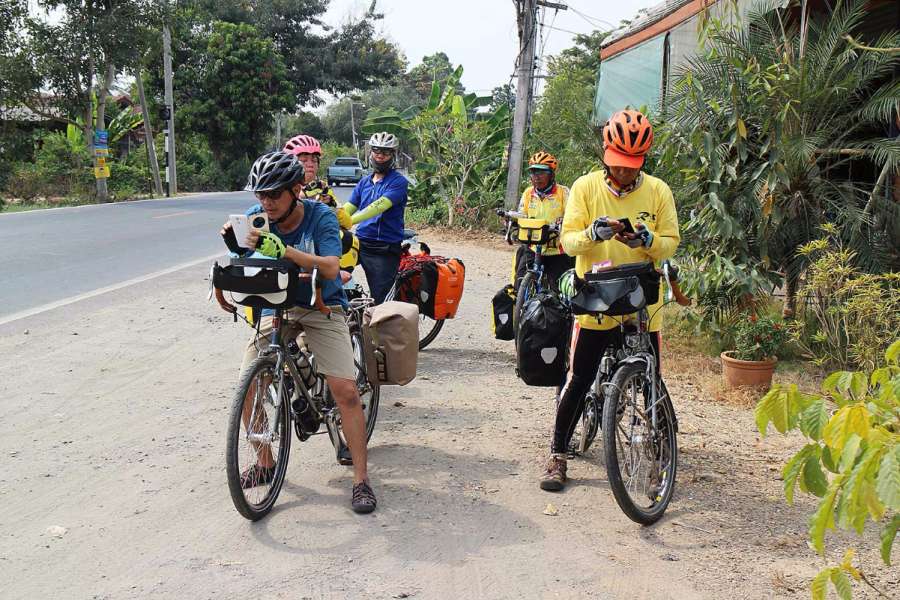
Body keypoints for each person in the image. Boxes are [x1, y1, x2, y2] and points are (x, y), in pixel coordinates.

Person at [218, 151, 376, 514]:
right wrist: (237, 246)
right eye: (261, 194)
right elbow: (251, 265)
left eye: (274, 194)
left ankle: (361, 480)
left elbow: (332, 267)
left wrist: (286, 250)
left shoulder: (319, 216)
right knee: (249, 383)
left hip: (323, 306)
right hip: (278, 306)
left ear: (295, 190)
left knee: (345, 392)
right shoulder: (258, 220)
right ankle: (265, 463)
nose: (266, 202)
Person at [540, 109, 681, 492]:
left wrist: (648, 241)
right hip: (596, 300)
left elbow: (671, 243)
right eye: (618, 165)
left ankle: (660, 459)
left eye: (632, 167)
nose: (624, 173)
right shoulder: (585, 187)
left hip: (640, 303)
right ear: (606, 154)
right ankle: (557, 453)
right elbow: (568, 242)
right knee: (580, 377)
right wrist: (594, 233)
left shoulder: (658, 191)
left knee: (653, 384)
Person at [344, 132, 408, 304]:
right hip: (360, 243)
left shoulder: (398, 182)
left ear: (393, 155)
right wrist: (332, 218)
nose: (380, 155)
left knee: (381, 301)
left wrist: (349, 221)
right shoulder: (364, 182)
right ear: (371, 152)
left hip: (383, 248)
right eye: (377, 151)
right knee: (329, 270)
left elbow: (379, 206)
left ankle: (379, 327)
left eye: (385, 152)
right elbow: (348, 208)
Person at [282, 134, 359, 272]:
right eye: (304, 160)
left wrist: (331, 206)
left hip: (315, 247)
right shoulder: (280, 188)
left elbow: (347, 222)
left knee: (348, 239)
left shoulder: (322, 188)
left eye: (314, 160)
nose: (310, 164)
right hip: (287, 244)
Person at [512, 151, 574, 292]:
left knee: (558, 292)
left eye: (541, 173)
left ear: (551, 174)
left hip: (556, 251)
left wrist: (564, 222)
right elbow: (522, 214)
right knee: (519, 282)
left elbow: (572, 214)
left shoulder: (563, 193)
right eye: (533, 173)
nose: (536, 177)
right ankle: (521, 307)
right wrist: (512, 219)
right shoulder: (528, 193)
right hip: (533, 247)